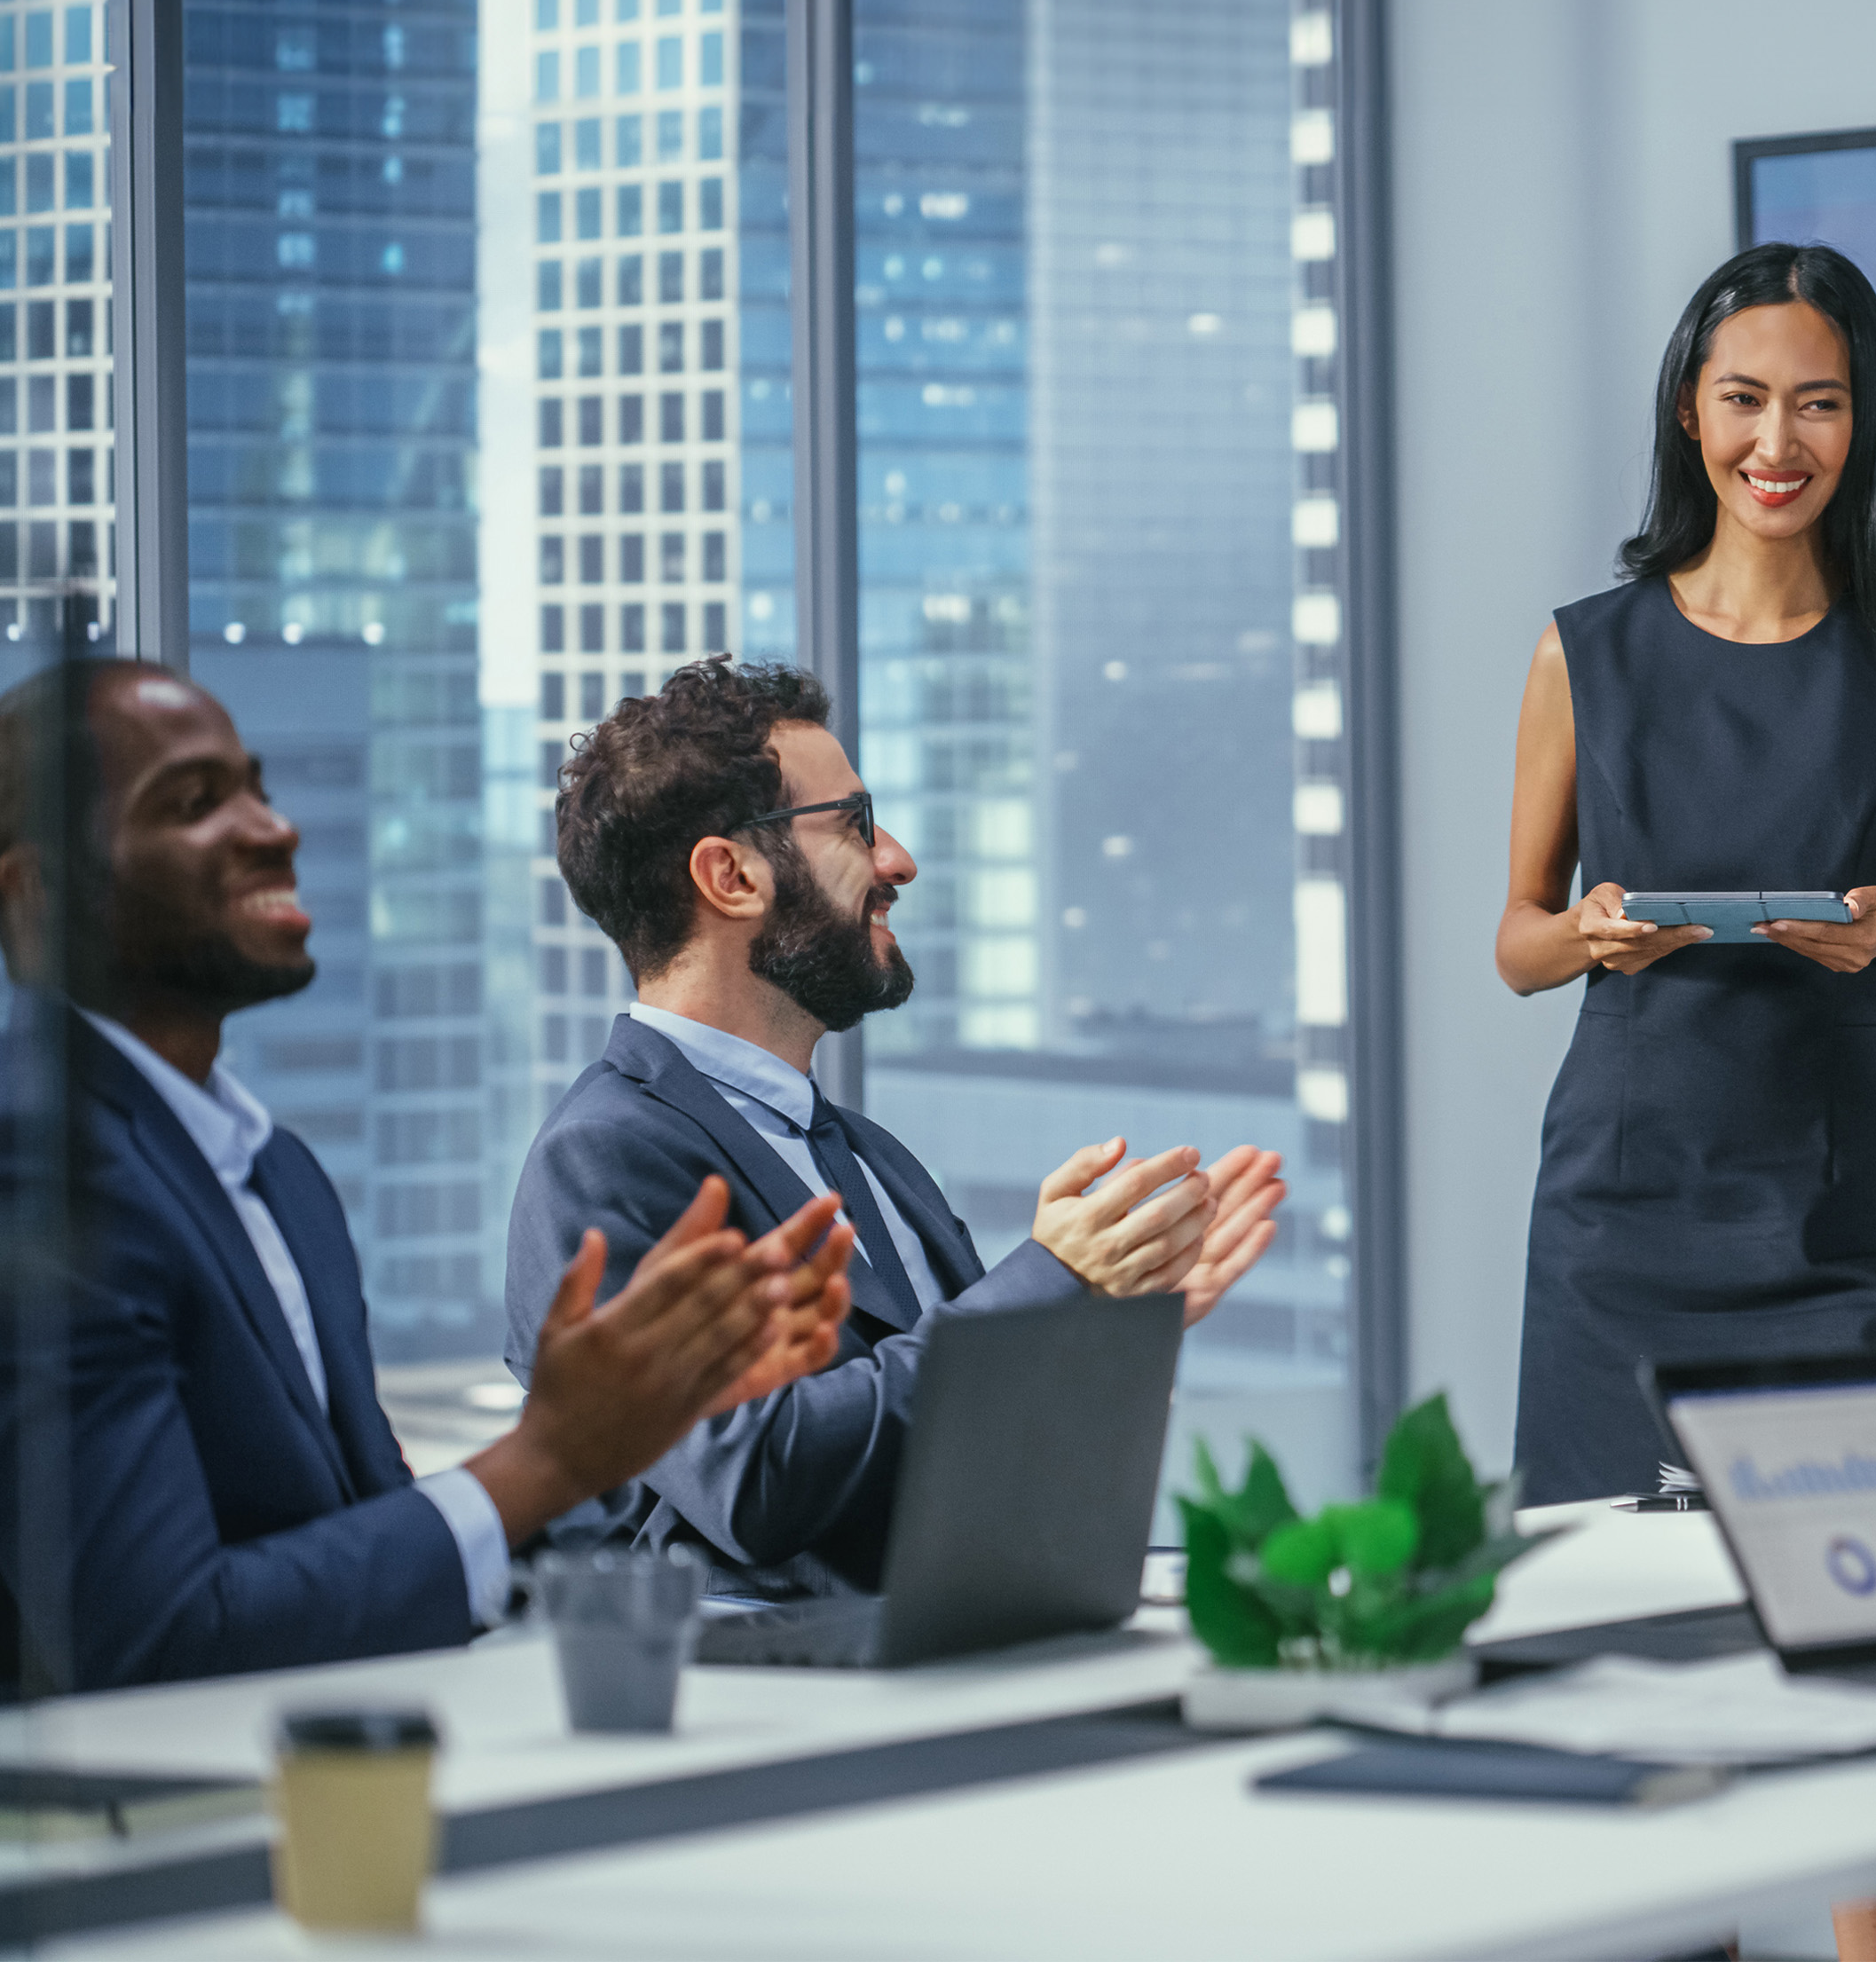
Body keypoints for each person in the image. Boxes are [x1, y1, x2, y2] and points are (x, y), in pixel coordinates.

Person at [0, 660, 854, 1693]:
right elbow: (155, 1639)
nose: (274, 829)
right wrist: (544, 1458)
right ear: (35, 892)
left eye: (257, 789)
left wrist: (621, 1431)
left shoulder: (280, 1179)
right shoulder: (37, 1172)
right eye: (193, 803)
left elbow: (370, 1551)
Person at [506, 658, 1285, 1599]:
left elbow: (967, 1473)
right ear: (731, 875)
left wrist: (1103, 1330)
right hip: (787, 1717)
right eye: (857, 826)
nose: (899, 860)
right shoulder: (602, 1158)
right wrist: (1048, 1290)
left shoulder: (875, 1157)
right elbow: (750, 1477)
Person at [1495, 241, 1876, 1507]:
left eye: (1819, 402)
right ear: (1692, 411)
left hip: (1845, 1219)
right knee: (1607, 1629)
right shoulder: (1585, 653)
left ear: (1863, 422)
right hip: (1618, 1224)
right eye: (1743, 398)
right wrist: (1592, 932)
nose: (1776, 442)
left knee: (1852, 1600)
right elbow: (1518, 947)